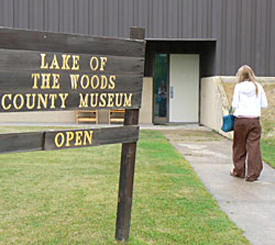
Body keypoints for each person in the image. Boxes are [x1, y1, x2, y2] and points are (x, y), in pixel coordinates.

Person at [231, 65, 268, 181]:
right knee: (254, 147)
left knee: (239, 146)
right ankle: (252, 174)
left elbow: (234, 105)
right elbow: (264, 105)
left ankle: (239, 171)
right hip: (254, 121)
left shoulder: (238, 87)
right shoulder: (258, 87)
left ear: (240, 75)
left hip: (240, 120)